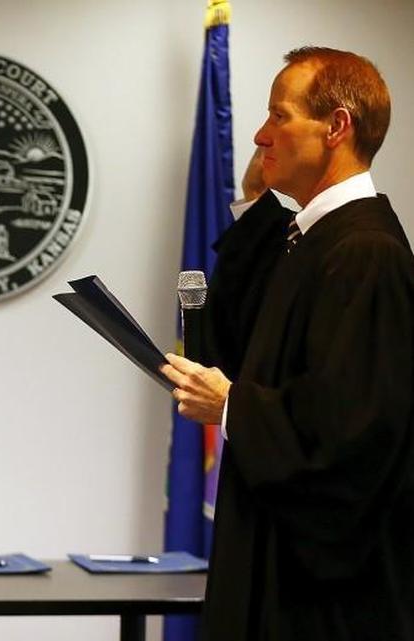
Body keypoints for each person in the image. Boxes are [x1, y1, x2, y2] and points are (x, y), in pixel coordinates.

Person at [161, 46, 414, 640]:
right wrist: (256, 205)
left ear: (337, 126)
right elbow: (240, 348)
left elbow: (351, 433)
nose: (259, 134)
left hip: (324, 603)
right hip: (280, 574)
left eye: (279, 116)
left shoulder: (365, 255)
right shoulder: (314, 240)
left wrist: (233, 406)